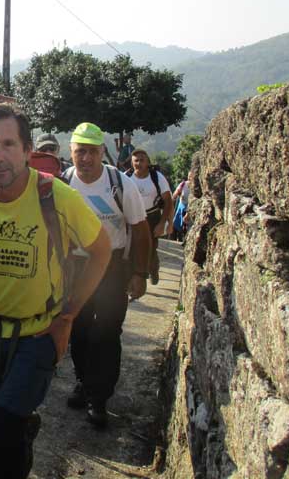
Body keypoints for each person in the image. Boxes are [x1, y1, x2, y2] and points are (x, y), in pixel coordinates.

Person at [0, 103, 111, 479]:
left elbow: (101, 250)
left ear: (28, 149)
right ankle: (21, 430)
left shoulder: (57, 197)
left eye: (8, 145)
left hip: (37, 332)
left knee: (4, 425)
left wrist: (67, 317)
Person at [63, 122, 151, 427]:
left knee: (107, 332)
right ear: (70, 152)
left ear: (103, 152)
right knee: (78, 328)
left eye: (92, 152)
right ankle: (84, 382)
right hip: (76, 267)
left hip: (113, 266)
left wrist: (139, 273)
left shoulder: (119, 184)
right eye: (79, 152)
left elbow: (141, 230)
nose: (85, 158)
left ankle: (99, 398)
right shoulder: (64, 182)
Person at [126, 149, 173, 284]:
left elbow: (168, 200)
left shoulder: (156, 177)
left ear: (148, 162)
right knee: (132, 248)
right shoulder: (126, 178)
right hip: (133, 217)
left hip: (152, 217)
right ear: (132, 162)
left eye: (142, 160)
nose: (139, 163)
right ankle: (134, 278)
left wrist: (164, 223)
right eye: (136, 160)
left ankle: (153, 268)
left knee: (150, 249)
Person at [171, 169, 194, 241]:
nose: (190, 178)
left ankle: (186, 239)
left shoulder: (196, 186)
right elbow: (174, 195)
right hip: (181, 207)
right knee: (176, 225)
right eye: (189, 176)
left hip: (191, 207)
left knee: (187, 225)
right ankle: (175, 240)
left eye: (191, 176)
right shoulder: (183, 184)